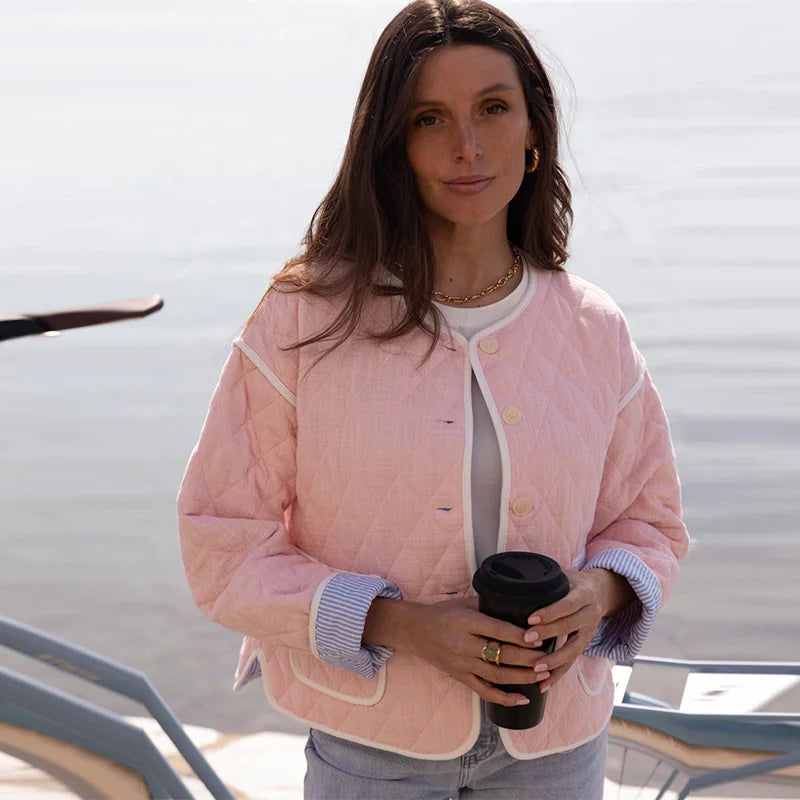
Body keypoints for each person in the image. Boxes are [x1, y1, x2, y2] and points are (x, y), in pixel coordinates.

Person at [177, 1, 689, 797]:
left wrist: (600, 591)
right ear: (393, 144)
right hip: (371, 749)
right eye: (429, 118)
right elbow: (222, 543)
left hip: (558, 748)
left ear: (534, 130)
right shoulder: (304, 320)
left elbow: (648, 523)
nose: (467, 146)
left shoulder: (592, 329)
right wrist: (399, 625)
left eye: (493, 108)